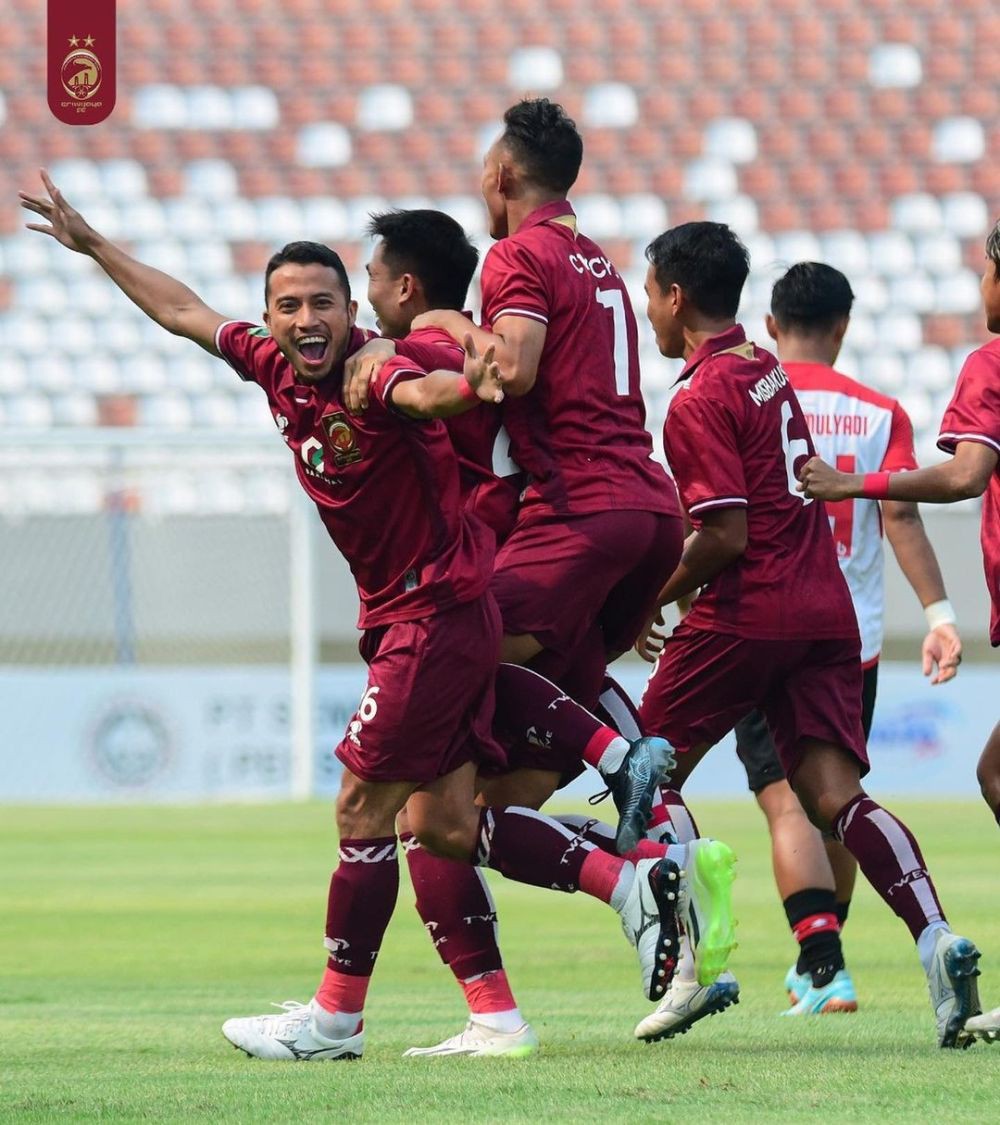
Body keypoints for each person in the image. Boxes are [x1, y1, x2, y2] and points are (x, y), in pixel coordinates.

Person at [20, 170, 731, 1063]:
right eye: (288, 305)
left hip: (432, 616)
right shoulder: (272, 364)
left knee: (361, 804)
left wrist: (469, 380)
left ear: (353, 304)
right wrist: (93, 246)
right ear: (271, 316)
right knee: (435, 823)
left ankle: (335, 1018)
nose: (306, 319)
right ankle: (569, 943)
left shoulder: (368, 370)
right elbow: (184, 311)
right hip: (418, 616)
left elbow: (418, 393)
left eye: (322, 301)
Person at [631, 220, 984, 1049]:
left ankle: (696, 961)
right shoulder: (760, 368)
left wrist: (653, 596)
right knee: (834, 796)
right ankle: (936, 936)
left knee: (642, 767)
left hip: (747, 611)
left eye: (649, 293)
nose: (647, 309)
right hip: (828, 612)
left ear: (676, 299)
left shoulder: (698, 395)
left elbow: (724, 534)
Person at [356, 206, 688, 1057]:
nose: (362, 301)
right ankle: (649, 848)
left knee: (427, 810)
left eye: (366, 280)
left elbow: (469, 377)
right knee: (475, 815)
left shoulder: (431, 352)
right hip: (559, 585)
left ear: (405, 284)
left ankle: (499, 1009)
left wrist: (403, 344)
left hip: (500, 581)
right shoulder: (490, 333)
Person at [733, 262, 963, 1016]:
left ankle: (822, 959)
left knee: (783, 800)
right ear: (844, 328)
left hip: (759, 625)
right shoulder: (877, 409)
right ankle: (824, 960)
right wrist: (938, 615)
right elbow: (900, 517)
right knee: (838, 796)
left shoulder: (744, 398)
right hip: (848, 639)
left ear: (771, 326)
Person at [800, 221, 1000, 1042]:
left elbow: (964, 474)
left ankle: (818, 962)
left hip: (802, 629)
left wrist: (855, 480)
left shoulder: (990, 364)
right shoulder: (879, 403)